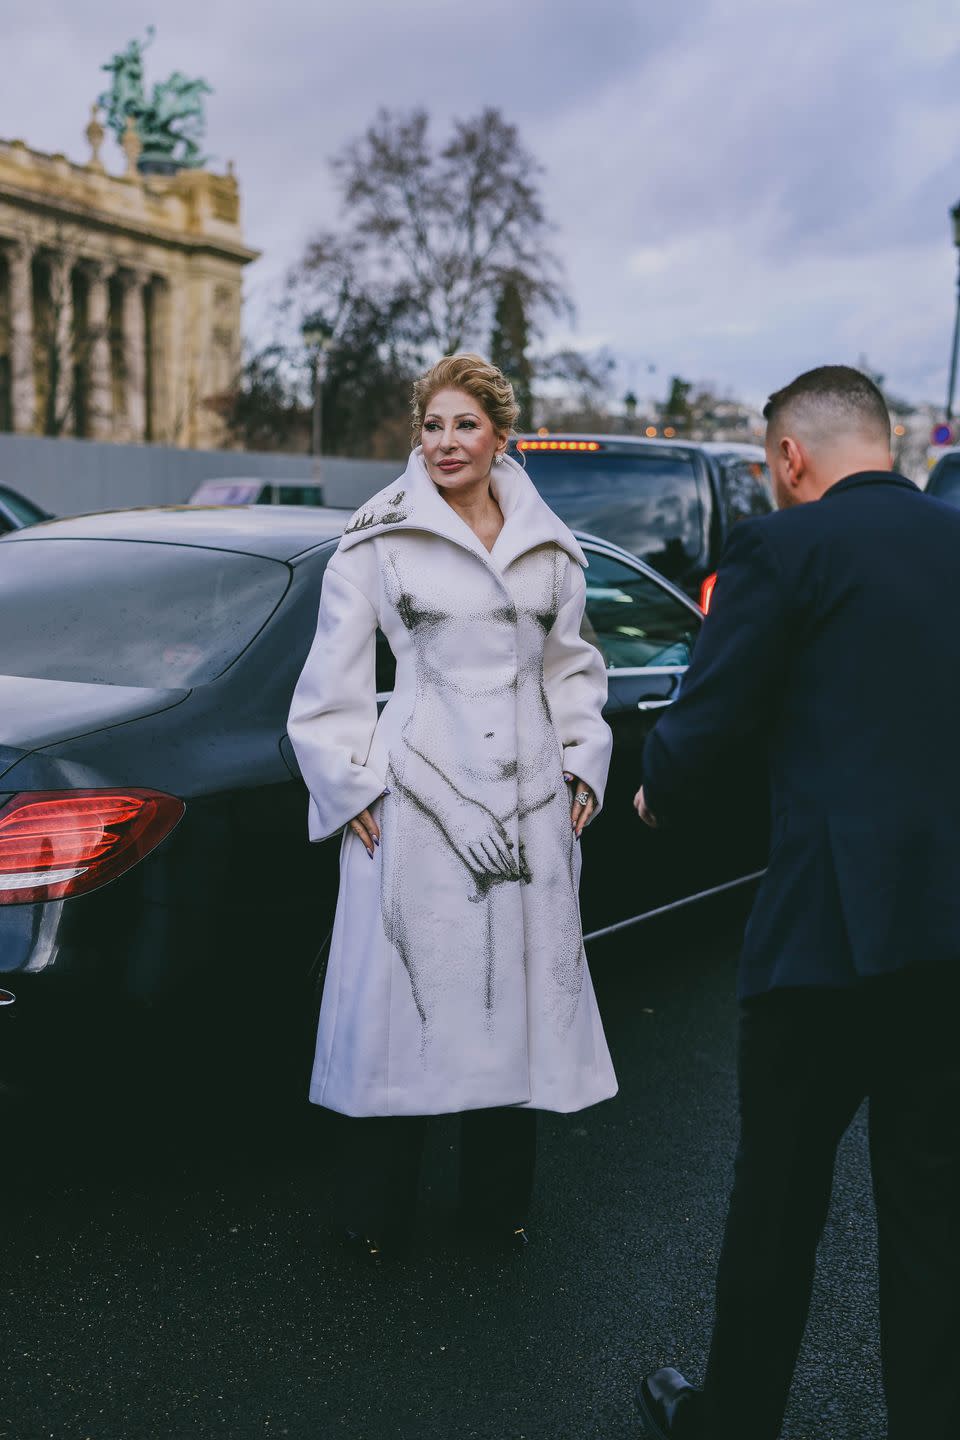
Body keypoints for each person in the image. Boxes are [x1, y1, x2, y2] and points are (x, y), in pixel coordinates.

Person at [632, 365, 960, 1440]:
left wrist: (656, 789)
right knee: (929, 1219)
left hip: (826, 936)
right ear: (892, 443)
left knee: (776, 1203)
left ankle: (734, 1423)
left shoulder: (783, 547)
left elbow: (709, 721)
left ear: (789, 459)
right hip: (949, 937)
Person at [288, 353, 617, 1260]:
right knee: (405, 1009)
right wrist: (350, 780)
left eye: (464, 424)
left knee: (511, 1004)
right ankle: (373, 1218)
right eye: (431, 425)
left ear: (501, 435)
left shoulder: (550, 544)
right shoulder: (376, 537)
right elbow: (330, 688)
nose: (444, 442)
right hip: (414, 804)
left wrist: (585, 765)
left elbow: (573, 668)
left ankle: (494, 1211)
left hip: (529, 803)